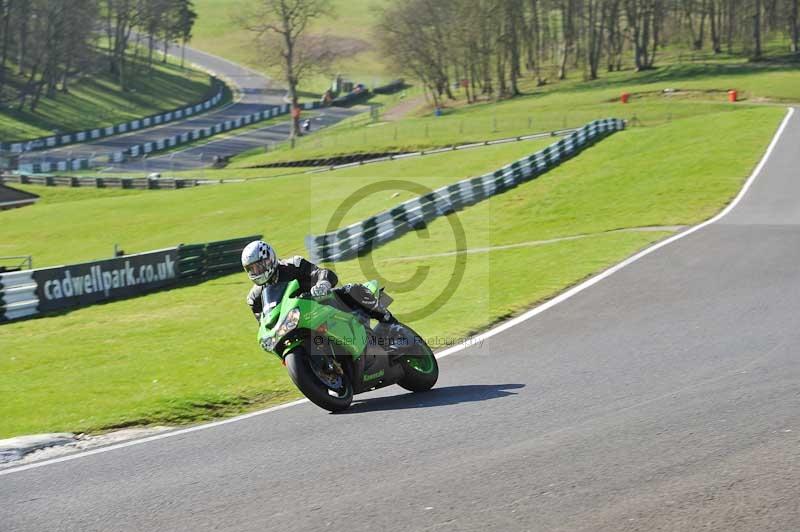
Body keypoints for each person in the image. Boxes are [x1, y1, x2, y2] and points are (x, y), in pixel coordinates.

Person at [241, 240, 396, 325]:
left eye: (259, 265)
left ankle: (390, 322)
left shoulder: (293, 265)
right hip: (297, 324)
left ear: (269, 259)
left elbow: (322, 273)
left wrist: (322, 284)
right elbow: (265, 324)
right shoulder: (255, 298)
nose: (257, 271)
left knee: (353, 290)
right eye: (251, 269)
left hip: (322, 304)